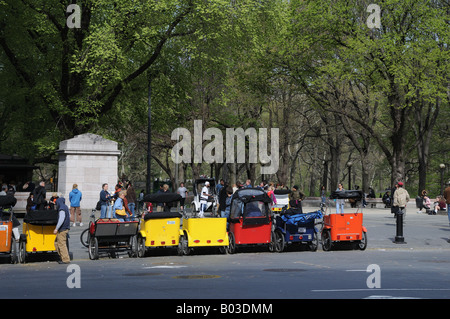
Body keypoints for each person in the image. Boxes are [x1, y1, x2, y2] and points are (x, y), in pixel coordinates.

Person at [53, 197, 71, 264]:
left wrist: (56, 228)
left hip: (62, 229)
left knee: (61, 244)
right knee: (57, 243)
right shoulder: (65, 207)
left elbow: (61, 219)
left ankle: (65, 259)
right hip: (65, 228)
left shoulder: (61, 209)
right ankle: (62, 257)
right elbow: (69, 215)